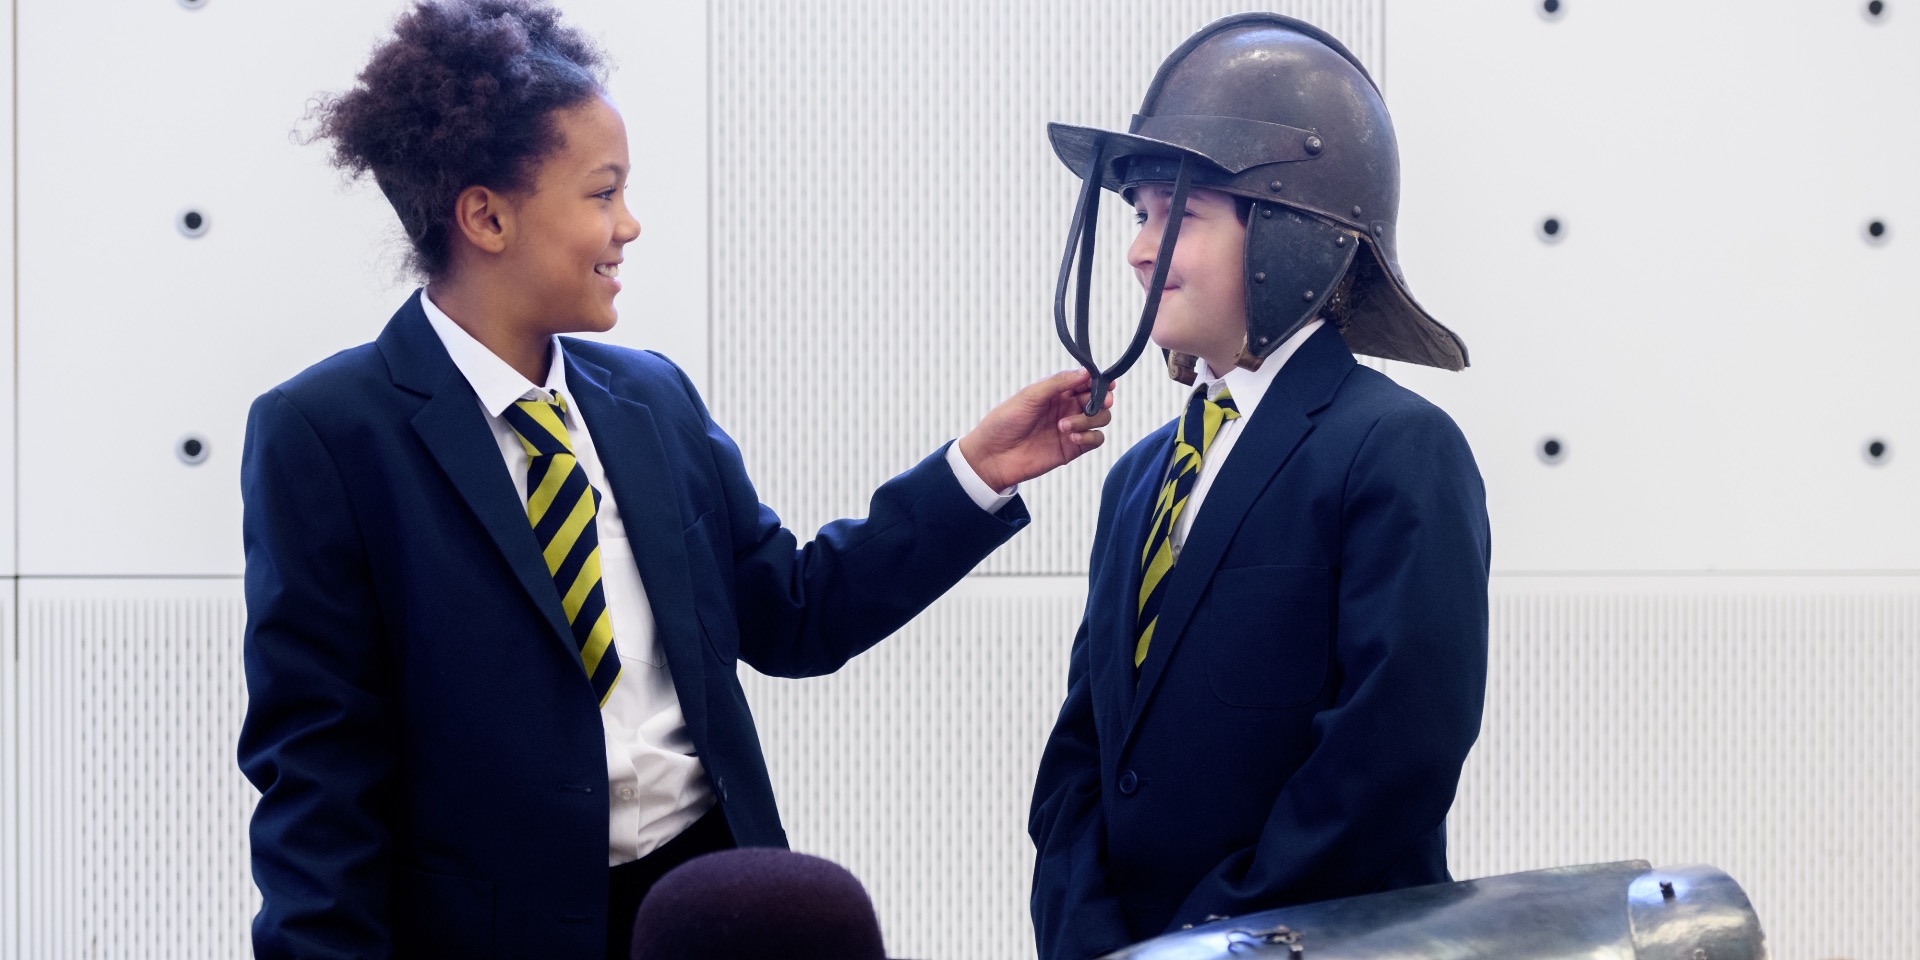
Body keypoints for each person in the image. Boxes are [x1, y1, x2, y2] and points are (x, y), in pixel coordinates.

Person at [236, 2, 1111, 958]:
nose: (631, 225)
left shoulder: (648, 398)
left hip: (702, 915)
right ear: (486, 216)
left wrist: (976, 473)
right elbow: (319, 776)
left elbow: (793, 613)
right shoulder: (325, 434)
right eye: (602, 194)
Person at [1027, 14, 1491, 960]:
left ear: (1294, 232)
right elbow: (1085, 749)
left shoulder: (1397, 450)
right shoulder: (1136, 479)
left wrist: (1212, 944)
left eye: (1178, 215)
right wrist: (1089, 933)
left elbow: (1384, 765)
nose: (1139, 250)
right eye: (1140, 215)